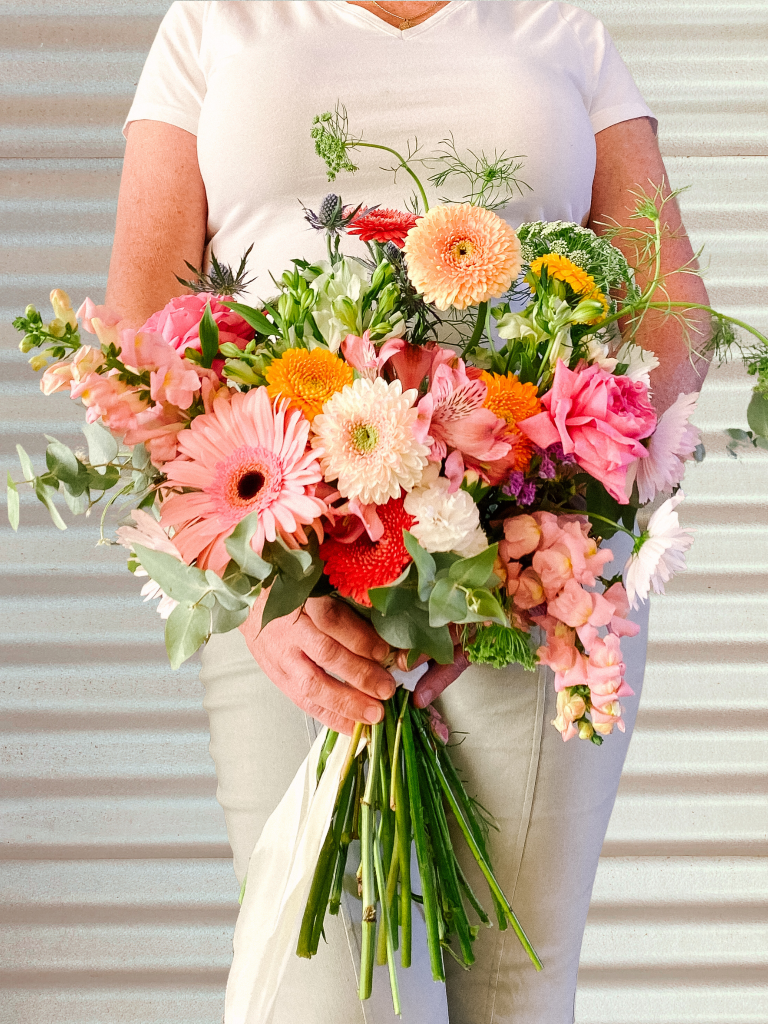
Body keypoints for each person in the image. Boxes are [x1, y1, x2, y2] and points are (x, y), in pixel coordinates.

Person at [109, 3, 710, 1021]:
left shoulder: (563, 29)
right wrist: (250, 574)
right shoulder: (215, 24)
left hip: (533, 587)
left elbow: (669, 303)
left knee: (517, 985)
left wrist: (555, 530)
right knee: (331, 988)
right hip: (289, 575)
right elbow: (139, 324)